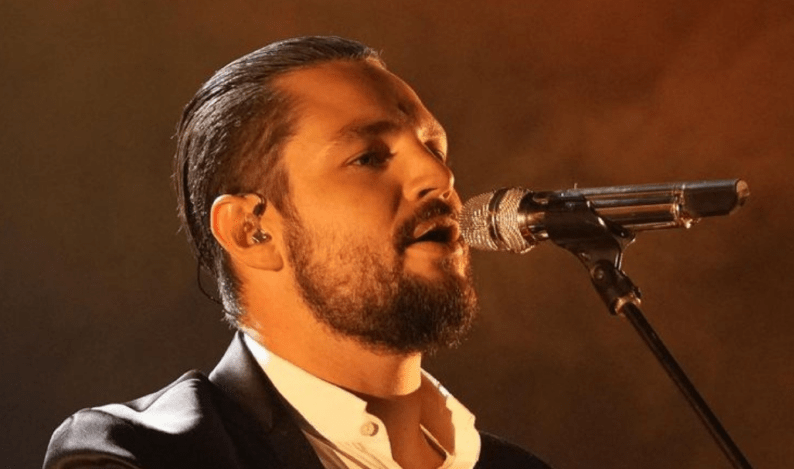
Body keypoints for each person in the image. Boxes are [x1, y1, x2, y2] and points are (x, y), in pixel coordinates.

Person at [43, 36, 552, 469]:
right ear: (251, 231)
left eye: (435, 149)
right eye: (369, 157)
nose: (439, 176)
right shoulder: (140, 454)